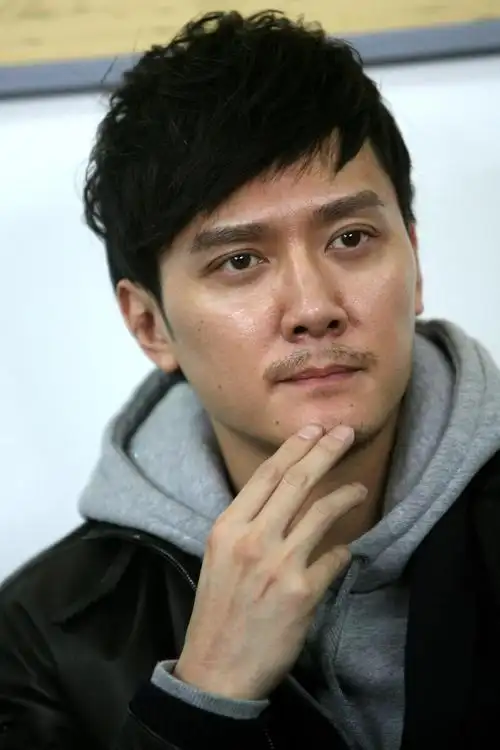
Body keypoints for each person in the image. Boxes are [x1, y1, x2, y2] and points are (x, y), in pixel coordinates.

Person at [1, 9, 500, 750]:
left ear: (416, 266)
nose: (314, 308)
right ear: (150, 325)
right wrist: (202, 697)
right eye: (240, 261)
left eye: (351, 238)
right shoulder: (37, 638)